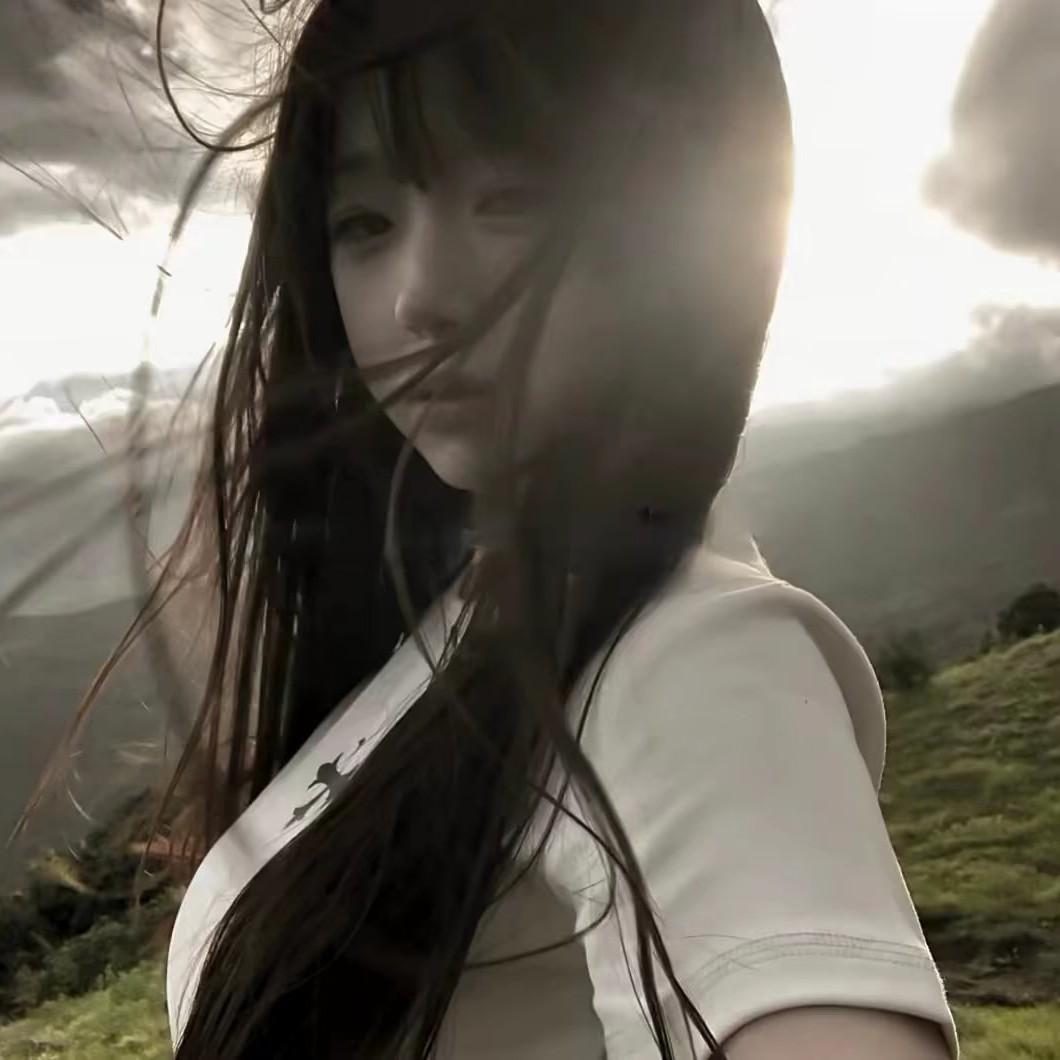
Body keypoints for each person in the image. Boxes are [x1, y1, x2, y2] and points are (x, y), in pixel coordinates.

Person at [126, 0, 961, 1056]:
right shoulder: (471, 607)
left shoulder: (693, 653)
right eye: (366, 222)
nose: (419, 299)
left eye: (512, 200)